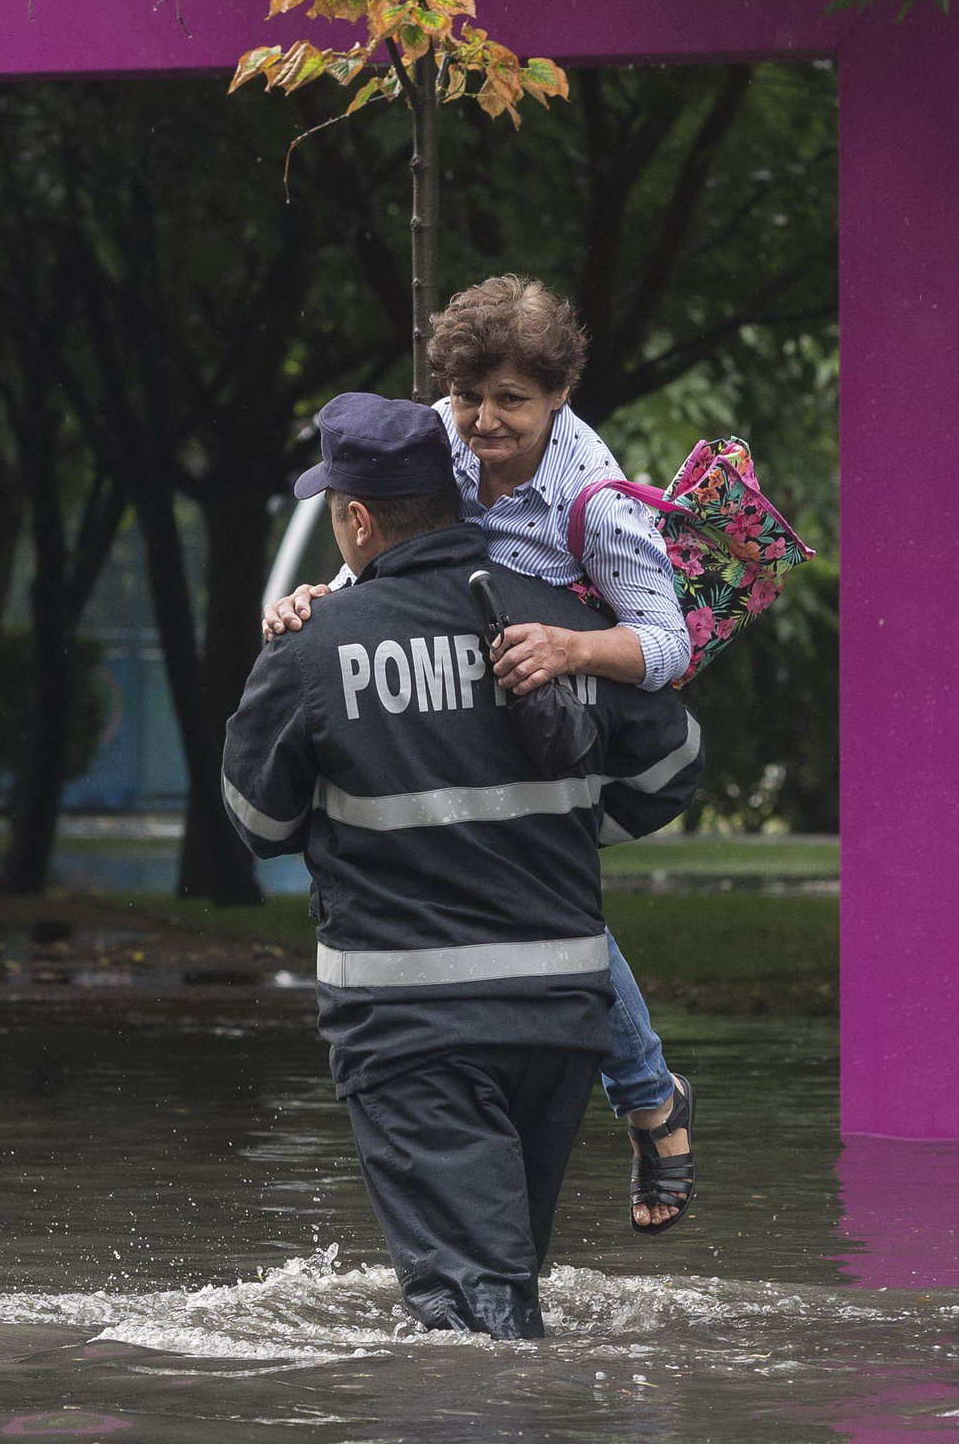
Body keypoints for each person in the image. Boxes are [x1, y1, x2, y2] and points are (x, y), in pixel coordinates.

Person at [224, 392, 704, 1338]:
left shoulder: (314, 648)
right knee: (505, 1282)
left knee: (468, 1317)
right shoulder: (559, 628)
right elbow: (673, 763)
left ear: (356, 520)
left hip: (412, 1029)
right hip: (561, 1023)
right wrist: (559, 828)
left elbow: (256, 821)